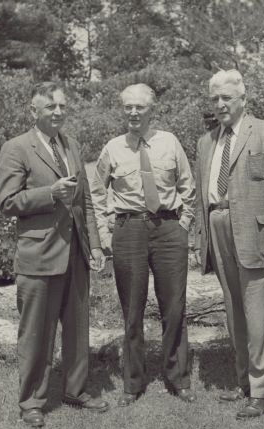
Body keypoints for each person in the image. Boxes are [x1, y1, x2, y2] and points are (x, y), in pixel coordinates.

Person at [0, 82, 108, 428]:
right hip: (39, 255)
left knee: (77, 328)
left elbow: (85, 200)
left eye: (62, 106)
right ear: (34, 111)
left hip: (75, 253)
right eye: (50, 107)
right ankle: (31, 401)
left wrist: (96, 245)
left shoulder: (71, 144)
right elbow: (7, 202)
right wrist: (50, 193)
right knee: (36, 333)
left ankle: (75, 390)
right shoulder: (17, 148)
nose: (58, 112)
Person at [90, 83, 196, 406]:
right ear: (123, 110)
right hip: (129, 230)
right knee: (132, 310)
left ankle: (178, 378)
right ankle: (133, 383)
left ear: (152, 109)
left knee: (174, 307)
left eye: (140, 107)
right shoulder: (113, 148)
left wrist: (184, 224)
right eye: (128, 108)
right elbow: (96, 192)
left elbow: (188, 187)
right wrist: (106, 234)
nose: (133, 113)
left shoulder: (170, 143)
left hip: (168, 229)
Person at [194, 70, 264, 419]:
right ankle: (244, 382)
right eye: (215, 99)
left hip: (254, 234)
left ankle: (262, 393)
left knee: (259, 315)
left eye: (226, 98)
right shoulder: (207, 142)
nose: (220, 104)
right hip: (218, 229)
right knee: (234, 313)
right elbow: (200, 194)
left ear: (243, 99)